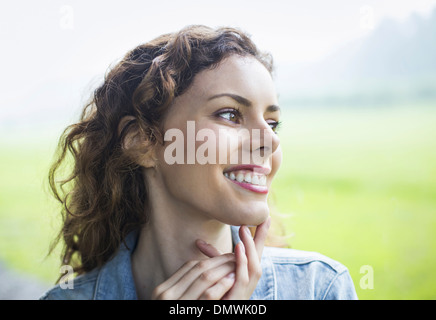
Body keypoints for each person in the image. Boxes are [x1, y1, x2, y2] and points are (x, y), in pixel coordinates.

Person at [40, 25, 358, 300]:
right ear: (143, 142)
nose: (271, 141)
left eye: (273, 123)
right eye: (230, 114)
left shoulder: (320, 288)